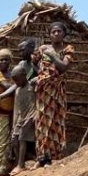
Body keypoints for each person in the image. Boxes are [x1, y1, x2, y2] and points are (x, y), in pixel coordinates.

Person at [33, 22, 75, 166]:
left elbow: (63, 67)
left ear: (64, 33)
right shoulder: (43, 49)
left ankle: (54, 156)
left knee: (55, 122)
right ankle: (42, 157)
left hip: (57, 91)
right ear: (49, 35)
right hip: (43, 91)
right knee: (42, 122)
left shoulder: (68, 49)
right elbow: (34, 62)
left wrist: (52, 55)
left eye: (59, 31)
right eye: (53, 32)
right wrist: (41, 76)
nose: (56, 34)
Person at [8, 64, 37, 174]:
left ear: (24, 75)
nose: (16, 82)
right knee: (14, 140)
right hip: (20, 118)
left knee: (22, 138)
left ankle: (21, 165)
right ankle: (20, 161)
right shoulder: (17, 90)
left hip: (30, 117)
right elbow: (16, 108)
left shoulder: (32, 87)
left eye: (17, 79)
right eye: (14, 80)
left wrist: (35, 114)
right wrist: (14, 124)